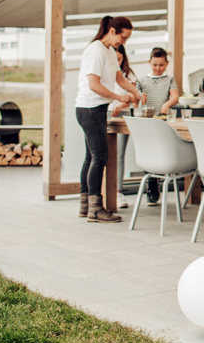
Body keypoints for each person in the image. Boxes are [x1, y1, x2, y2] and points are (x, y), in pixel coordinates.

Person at [75, 16, 141, 223]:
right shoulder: (95, 50)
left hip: (96, 109)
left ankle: (86, 206)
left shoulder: (110, 51)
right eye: (124, 37)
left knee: (91, 157)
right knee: (100, 156)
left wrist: (136, 92)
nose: (125, 42)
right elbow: (94, 84)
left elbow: (119, 78)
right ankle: (96, 209)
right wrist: (119, 97)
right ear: (112, 31)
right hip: (89, 109)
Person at [136, 47, 180, 205]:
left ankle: (155, 180)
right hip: (146, 122)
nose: (158, 68)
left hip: (162, 122)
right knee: (148, 152)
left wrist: (167, 104)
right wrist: (138, 97)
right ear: (149, 62)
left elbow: (175, 96)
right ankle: (151, 182)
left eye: (161, 65)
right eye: (155, 65)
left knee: (160, 150)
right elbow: (135, 98)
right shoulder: (141, 81)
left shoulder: (169, 80)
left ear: (167, 64)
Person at [109, 45, 138, 209]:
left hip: (123, 117)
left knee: (118, 155)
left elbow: (134, 97)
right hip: (106, 115)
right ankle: (103, 191)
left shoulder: (128, 74)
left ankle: (118, 191)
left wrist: (120, 104)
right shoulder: (104, 73)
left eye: (118, 59)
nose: (116, 62)